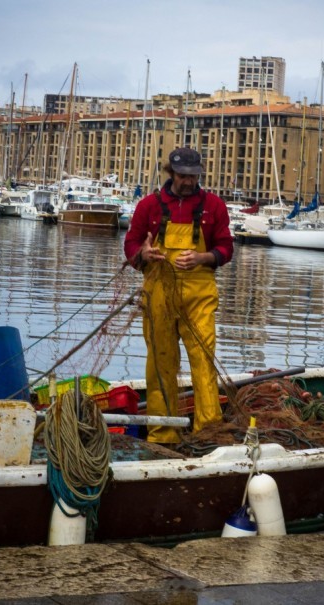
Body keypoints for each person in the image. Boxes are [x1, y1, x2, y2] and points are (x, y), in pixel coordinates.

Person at [124, 147, 234, 445]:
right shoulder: (148, 206)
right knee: (161, 364)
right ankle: (163, 434)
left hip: (199, 296)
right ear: (171, 174)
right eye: (183, 176)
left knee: (203, 360)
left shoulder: (214, 206)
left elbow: (226, 249)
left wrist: (203, 257)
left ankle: (208, 431)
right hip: (158, 294)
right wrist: (143, 254)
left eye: (194, 176)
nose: (188, 182)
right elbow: (131, 244)